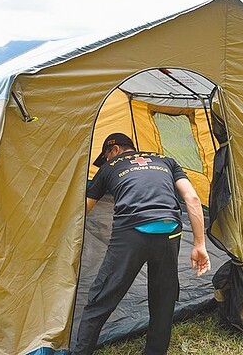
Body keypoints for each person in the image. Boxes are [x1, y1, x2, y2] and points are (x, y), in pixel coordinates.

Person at [74, 133, 210, 355]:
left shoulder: (109, 168)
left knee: (102, 296)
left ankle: (81, 352)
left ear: (115, 150)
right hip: (171, 230)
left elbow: (83, 211)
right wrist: (199, 244)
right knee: (164, 295)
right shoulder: (166, 160)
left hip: (131, 233)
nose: (106, 160)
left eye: (107, 155)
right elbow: (193, 199)